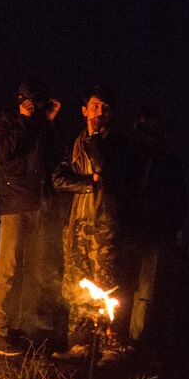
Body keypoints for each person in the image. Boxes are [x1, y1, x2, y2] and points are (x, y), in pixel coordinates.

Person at [52, 86, 128, 362]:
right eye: (95, 107)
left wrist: (96, 140)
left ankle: (110, 344)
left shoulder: (117, 143)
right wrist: (87, 183)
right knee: (76, 283)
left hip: (104, 224)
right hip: (77, 224)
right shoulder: (73, 143)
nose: (99, 113)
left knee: (106, 283)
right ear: (84, 110)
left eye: (105, 108)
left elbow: (105, 169)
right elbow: (59, 178)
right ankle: (80, 345)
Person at [0, 79, 61, 356]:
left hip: (39, 205)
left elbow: (55, 157)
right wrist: (23, 120)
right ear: (21, 100)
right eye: (31, 101)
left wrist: (51, 121)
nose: (36, 105)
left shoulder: (43, 124)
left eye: (39, 101)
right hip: (15, 204)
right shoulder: (7, 120)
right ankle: (0, 333)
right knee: (8, 268)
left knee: (36, 270)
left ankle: (26, 328)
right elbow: (5, 153)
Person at [121, 108, 186, 347]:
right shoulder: (129, 160)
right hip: (129, 233)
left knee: (145, 293)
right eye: (141, 129)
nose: (144, 135)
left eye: (149, 130)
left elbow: (178, 202)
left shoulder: (167, 163)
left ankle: (137, 341)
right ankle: (117, 338)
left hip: (153, 236)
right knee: (124, 288)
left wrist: (167, 231)